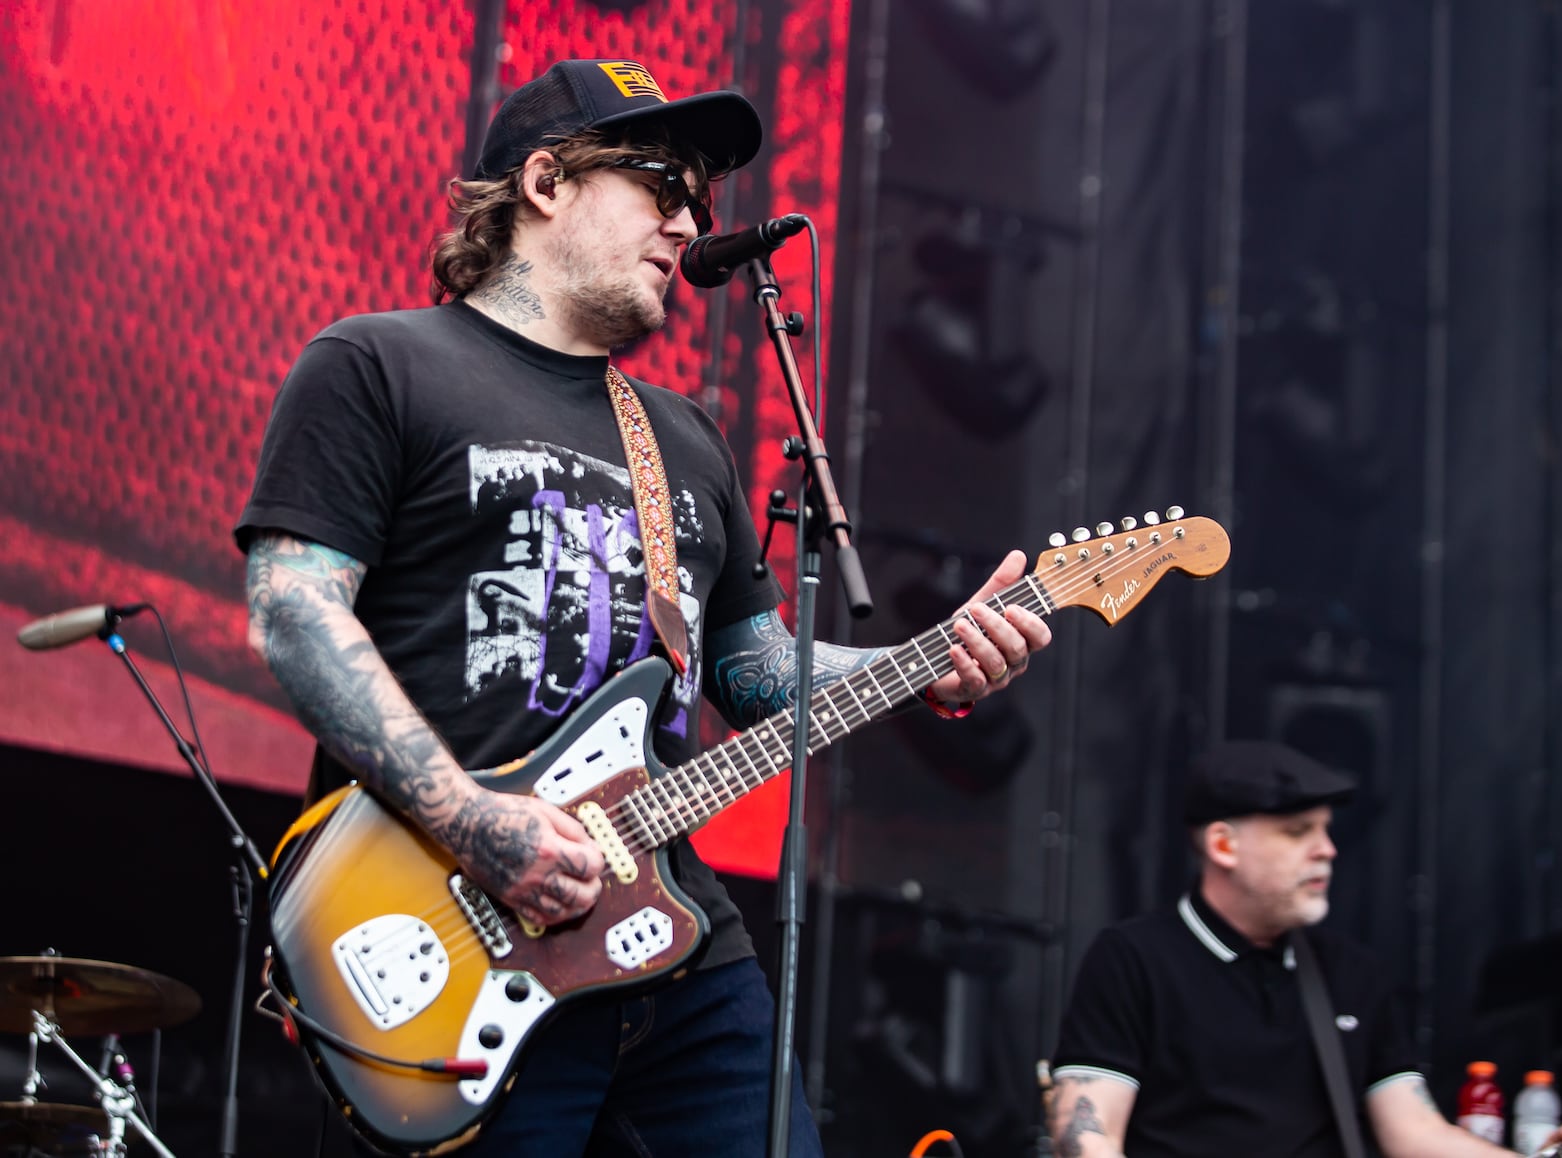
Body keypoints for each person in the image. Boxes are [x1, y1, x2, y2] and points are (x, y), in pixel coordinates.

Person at [236, 57, 1052, 1156]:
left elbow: (757, 675)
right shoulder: (379, 364)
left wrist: (928, 660)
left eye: (703, 201)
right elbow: (294, 613)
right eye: (662, 184)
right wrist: (475, 822)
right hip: (460, 924)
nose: (689, 220)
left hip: (669, 932)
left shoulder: (682, 437)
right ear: (544, 184)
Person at [1047, 741, 1562, 1158]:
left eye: (1328, 831)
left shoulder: (1351, 973)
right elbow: (1088, 1140)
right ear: (1223, 844)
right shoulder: (1132, 959)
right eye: (1299, 830)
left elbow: (1416, 1132)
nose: (1327, 851)